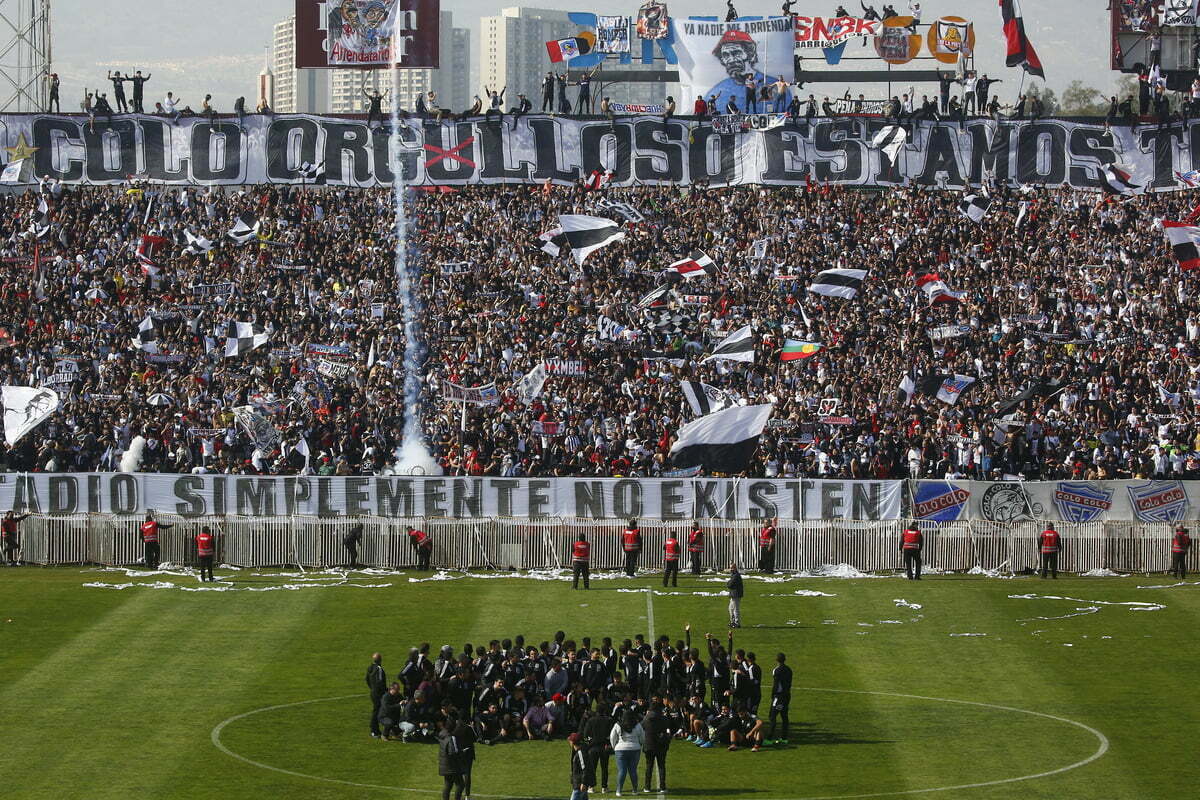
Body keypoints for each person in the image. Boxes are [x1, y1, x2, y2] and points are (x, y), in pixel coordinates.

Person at [608, 709, 643, 796]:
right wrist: (639, 744)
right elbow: (643, 737)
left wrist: (614, 747)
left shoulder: (618, 725)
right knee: (633, 770)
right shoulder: (638, 725)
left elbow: (612, 737)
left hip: (620, 749)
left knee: (622, 771)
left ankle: (619, 791)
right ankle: (635, 790)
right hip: (635, 749)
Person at [582, 702, 615, 792]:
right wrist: (608, 743)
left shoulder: (591, 720)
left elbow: (585, 734)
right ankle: (604, 787)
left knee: (592, 768)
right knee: (604, 768)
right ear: (604, 711)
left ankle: (591, 787)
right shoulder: (608, 720)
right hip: (604, 747)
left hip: (593, 748)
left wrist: (590, 742)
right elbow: (611, 735)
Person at [641, 701, 671, 793]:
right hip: (661, 745)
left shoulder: (646, 718)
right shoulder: (664, 718)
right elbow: (668, 729)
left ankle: (647, 787)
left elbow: (642, 728)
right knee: (661, 766)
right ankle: (662, 787)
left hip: (649, 745)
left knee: (649, 766)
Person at [438, 719, 468, 800]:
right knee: (460, 785)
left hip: (444, 765)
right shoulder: (451, 738)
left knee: (448, 785)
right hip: (452, 766)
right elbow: (452, 753)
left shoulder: (442, 735)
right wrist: (462, 752)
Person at [766, 652, 791, 745]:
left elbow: (776, 684)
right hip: (787, 695)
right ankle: (784, 738)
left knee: (772, 716)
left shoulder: (776, 670)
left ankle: (769, 739)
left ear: (776, 660)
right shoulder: (789, 669)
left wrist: (773, 695)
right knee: (784, 716)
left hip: (778, 696)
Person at [568, 732, 596, 800]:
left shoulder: (580, 753)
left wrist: (583, 782)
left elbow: (585, 768)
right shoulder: (581, 751)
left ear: (573, 742)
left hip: (579, 785)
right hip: (581, 784)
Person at [367, 652, 387, 738]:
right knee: (376, 711)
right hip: (378, 693)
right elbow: (380, 682)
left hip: (373, 692)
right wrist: (384, 691)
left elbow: (367, 679)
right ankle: (374, 730)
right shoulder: (379, 669)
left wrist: (372, 688)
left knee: (376, 710)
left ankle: (376, 729)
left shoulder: (370, 667)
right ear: (380, 660)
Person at [727, 562, 744, 628]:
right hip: (733, 594)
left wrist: (728, 583)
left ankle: (737, 623)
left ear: (735, 568)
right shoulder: (734, 574)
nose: (730, 569)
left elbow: (730, 584)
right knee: (730, 609)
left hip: (736, 595)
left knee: (735, 609)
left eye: (732, 568)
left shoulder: (736, 575)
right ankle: (732, 622)